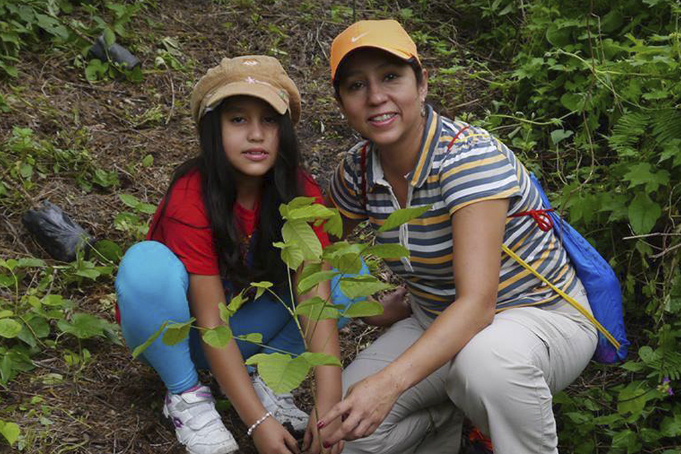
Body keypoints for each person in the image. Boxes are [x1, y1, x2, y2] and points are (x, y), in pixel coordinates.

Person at [317, 20, 599, 454]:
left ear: (422, 83)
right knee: (343, 431)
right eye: (357, 85)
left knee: (486, 367)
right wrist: (356, 303)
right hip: (436, 323)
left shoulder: (468, 159)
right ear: (342, 103)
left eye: (391, 77)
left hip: (538, 316)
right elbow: (314, 255)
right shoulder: (356, 170)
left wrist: (389, 384)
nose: (376, 97)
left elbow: (477, 306)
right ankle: (449, 420)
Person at [115, 56, 347, 454]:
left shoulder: (300, 192)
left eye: (269, 120)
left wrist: (329, 408)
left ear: (284, 130)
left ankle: (271, 379)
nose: (256, 134)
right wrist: (257, 423)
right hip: (187, 337)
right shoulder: (192, 195)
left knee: (341, 270)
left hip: (248, 331)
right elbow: (211, 322)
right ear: (212, 129)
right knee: (145, 265)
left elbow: (314, 299)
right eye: (238, 120)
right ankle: (186, 394)